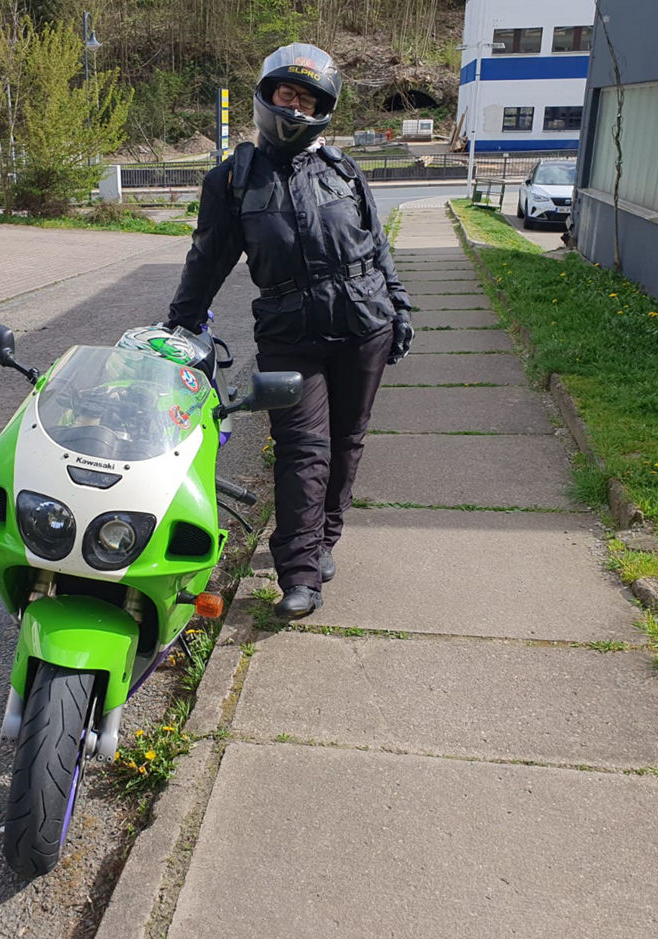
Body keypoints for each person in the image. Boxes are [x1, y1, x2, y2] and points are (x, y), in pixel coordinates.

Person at [166, 42, 414, 620]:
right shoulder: (233, 182)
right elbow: (206, 259)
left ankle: (325, 538)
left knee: (347, 439)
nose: (295, 106)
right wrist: (179, 325)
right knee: (303, 449)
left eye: (308, 97)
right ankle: (299, 573)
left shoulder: (343, 170)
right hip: (288, 331)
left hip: (364, 322)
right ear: (267, 95)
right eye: (287, 93)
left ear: (324, 107)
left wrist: (399, 307)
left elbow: (376, 246)